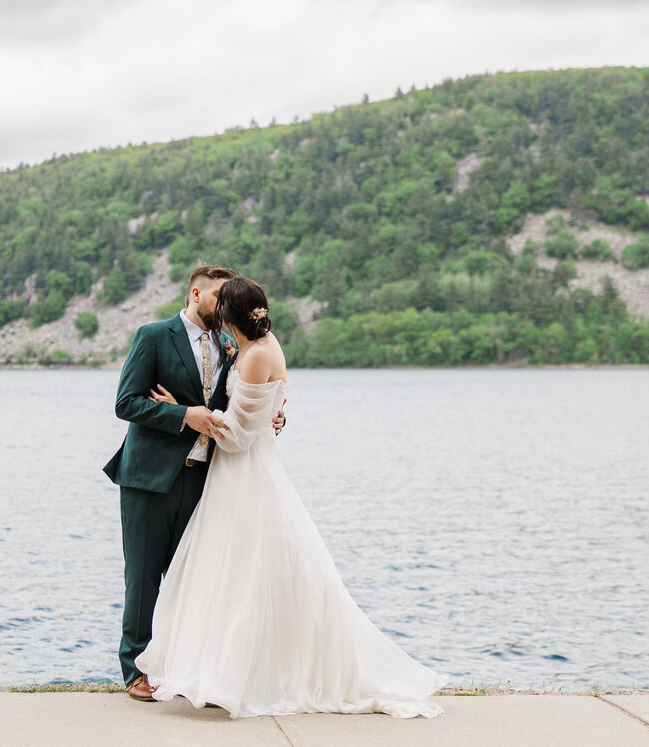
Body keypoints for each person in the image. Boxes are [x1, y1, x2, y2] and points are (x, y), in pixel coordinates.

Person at [134, 277, 448, 718]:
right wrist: (249, 418)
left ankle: (238, 675)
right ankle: (224, 670)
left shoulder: (256, 353)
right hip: (239, 473)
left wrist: (194, 417)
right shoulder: (254, 346)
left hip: (243, 473)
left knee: (245, 573)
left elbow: (239, 437)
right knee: (235, 572)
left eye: (221, 308)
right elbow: (258, 410)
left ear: (229, 316)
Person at [103, 265, 286, 701]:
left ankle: (182, 668)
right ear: (196, 292)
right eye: (218, 296)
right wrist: (183, 414)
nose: (223, 306)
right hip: (149, 478)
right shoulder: (152, 336)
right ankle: (136, 671)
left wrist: (272, 415)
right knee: (143, 578)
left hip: (208, 479)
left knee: (194, 579)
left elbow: (245, 401)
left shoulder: (232, 343)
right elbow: (126, 403)